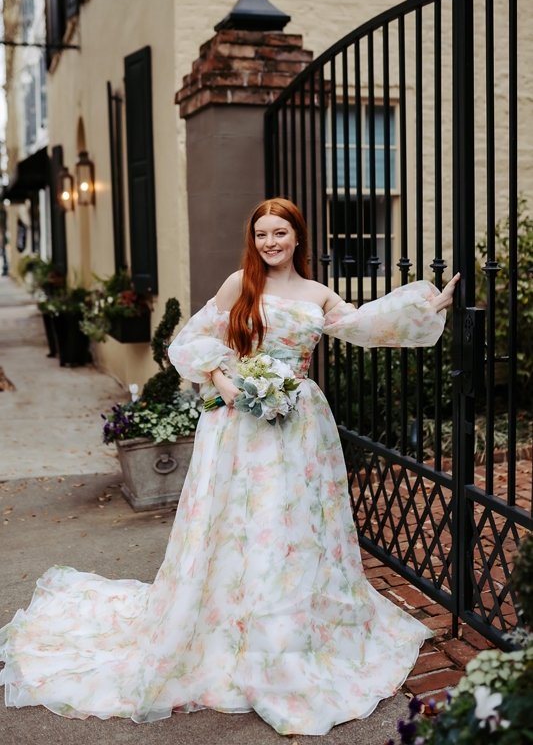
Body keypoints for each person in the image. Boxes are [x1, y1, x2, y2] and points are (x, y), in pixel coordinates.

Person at [0, 198, 458, 736]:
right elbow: (192, 341)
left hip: (299, 424)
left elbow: (365, 324)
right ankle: (232, 624)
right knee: (241, 521)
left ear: (297, 237)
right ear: (254, 238)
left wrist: (429, 306)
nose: (270, 242)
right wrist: (226, 383)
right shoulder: (239, 283)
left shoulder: (319, 295)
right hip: (237, 423)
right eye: (262, 233)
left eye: (280, 233)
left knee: (291, 527)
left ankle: (288, 629)